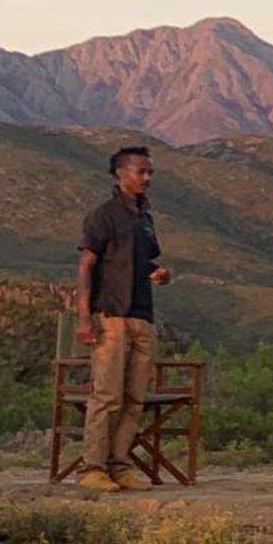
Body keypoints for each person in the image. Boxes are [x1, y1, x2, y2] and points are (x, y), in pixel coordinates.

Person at [74, 146, 171, 492]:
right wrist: (84, 317)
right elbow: (86, 264)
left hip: (141, 316)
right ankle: (92, 468)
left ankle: (119, 465)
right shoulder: (103, 216)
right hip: (112, 316)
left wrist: (157, 273)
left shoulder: (144, 218)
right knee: (107, 395)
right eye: (140, 171)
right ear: (120, 174)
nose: (146, 178)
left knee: (134, 398)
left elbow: (139, 261)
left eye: (149, 172)